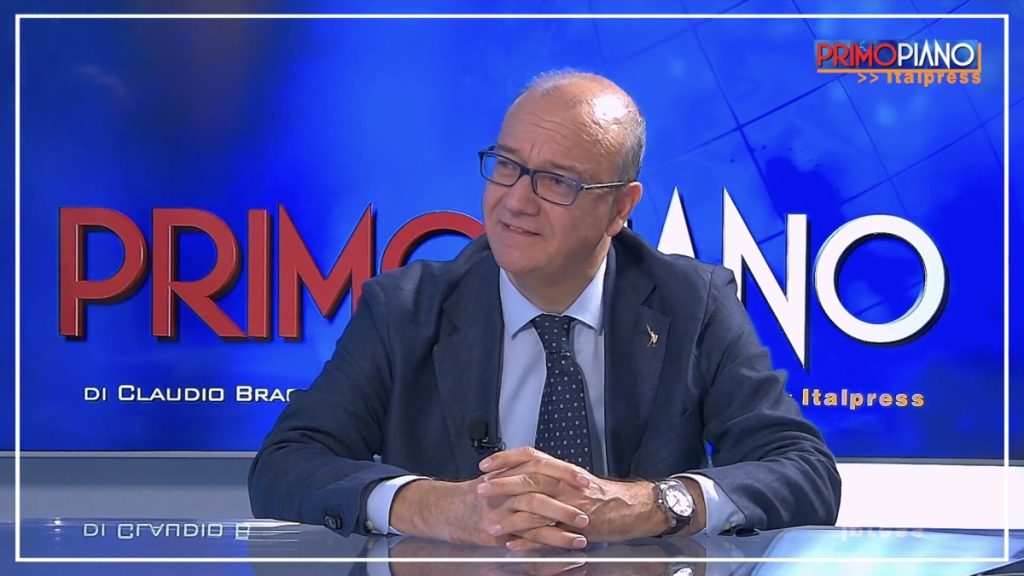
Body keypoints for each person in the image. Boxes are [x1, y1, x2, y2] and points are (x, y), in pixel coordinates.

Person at [248, 70, 841, 551]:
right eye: (507, 165)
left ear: (620, 208)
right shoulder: (403, 309)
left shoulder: (692, 302)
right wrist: (435, 507)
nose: (515, 202)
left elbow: (804, 472)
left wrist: (652, 505)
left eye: (557, 182)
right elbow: (286, 465)